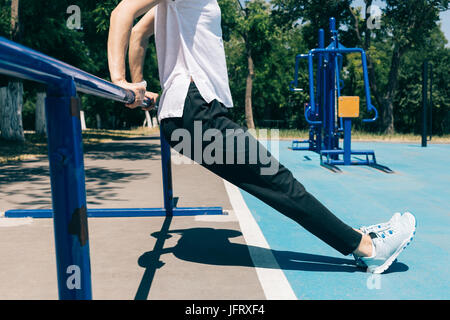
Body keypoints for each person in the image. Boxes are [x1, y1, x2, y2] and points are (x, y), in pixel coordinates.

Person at [107, 0, 416, 274]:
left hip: (183, 116)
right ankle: (368, 248)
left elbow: (139, 34)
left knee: (275, 182)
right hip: (195, 111)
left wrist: (140, 85)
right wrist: (121, 81)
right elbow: (123, 12)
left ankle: (358, 241)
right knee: (278, 181)